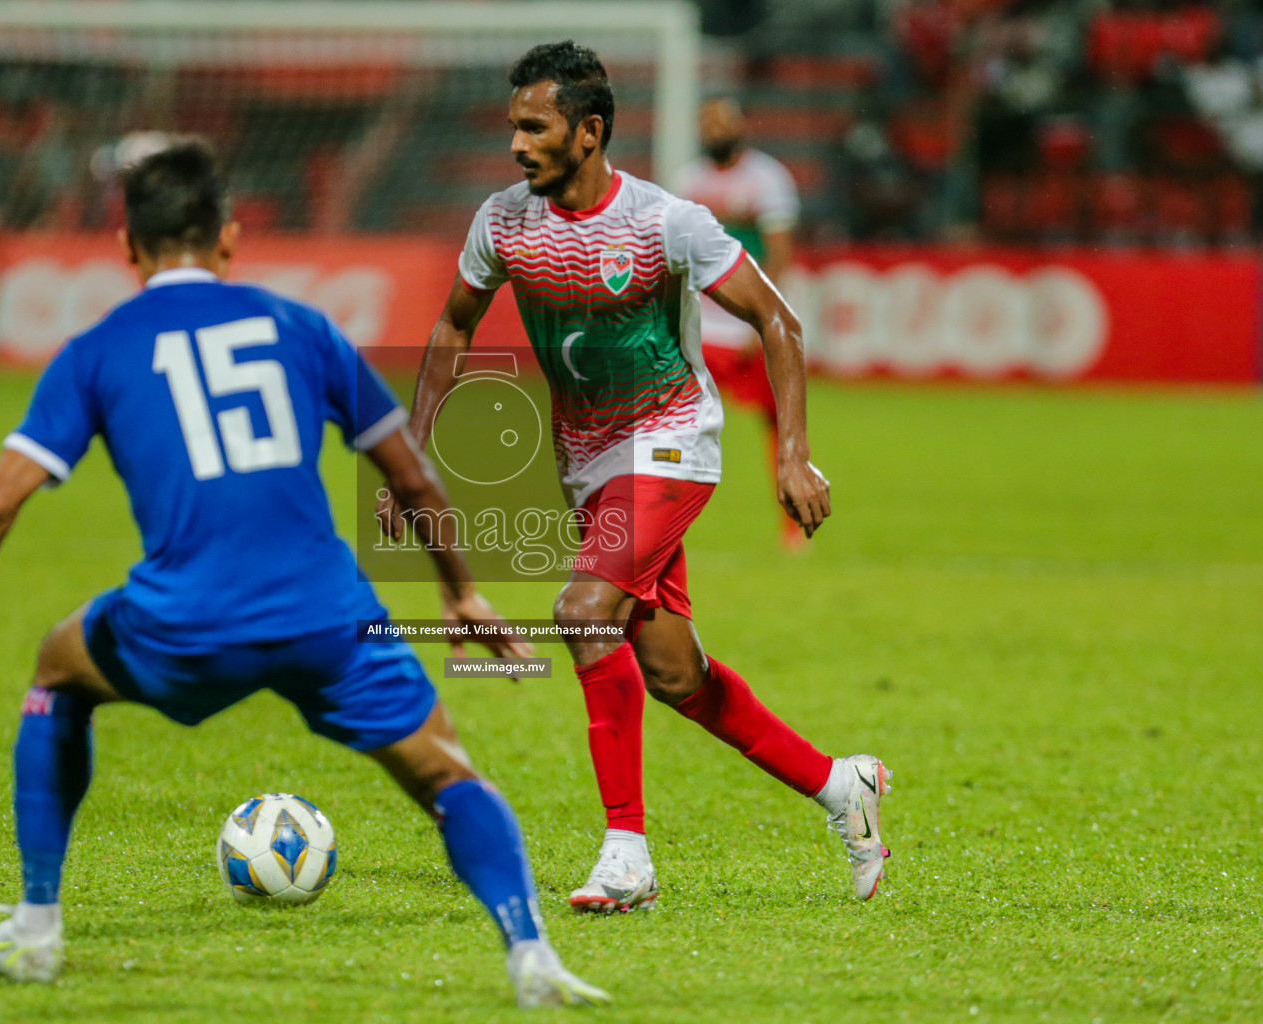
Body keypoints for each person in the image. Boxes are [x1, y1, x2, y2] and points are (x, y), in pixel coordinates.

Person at [0, 141, 608, 1009]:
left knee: (56, 668)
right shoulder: (302, 326)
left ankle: (37, 928)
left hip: (185, 621)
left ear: (126, 247)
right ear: (227, 238)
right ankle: (531, 953)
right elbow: (410, 472)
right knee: (449, 772)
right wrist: (461, 593)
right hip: (328, 618)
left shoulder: (97, 349)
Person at [378, 43, 892, 914]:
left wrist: (791, 451)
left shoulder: (666, 222)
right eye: (513, 126)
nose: (517, 144)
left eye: (534, 126)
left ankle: (628, 856)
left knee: (582, 612)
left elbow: (778, 319)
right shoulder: (503, 223)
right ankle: (842, 785)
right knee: (672, 673)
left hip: (671, 440)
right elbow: (450, 330)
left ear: (590, 131)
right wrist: (414, 454)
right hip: (588, 462)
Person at [677, 96, 807, 549]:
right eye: (706, 122)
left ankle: (792, 522)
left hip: (746, 323)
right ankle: (666, 522)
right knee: (675, 423)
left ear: (740, 126)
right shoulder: (687, 179)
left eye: (722, 122)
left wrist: (762, 321)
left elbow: (779, 253)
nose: (713, 130)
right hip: (701, 327)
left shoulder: (767, 178)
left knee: (779, 421)